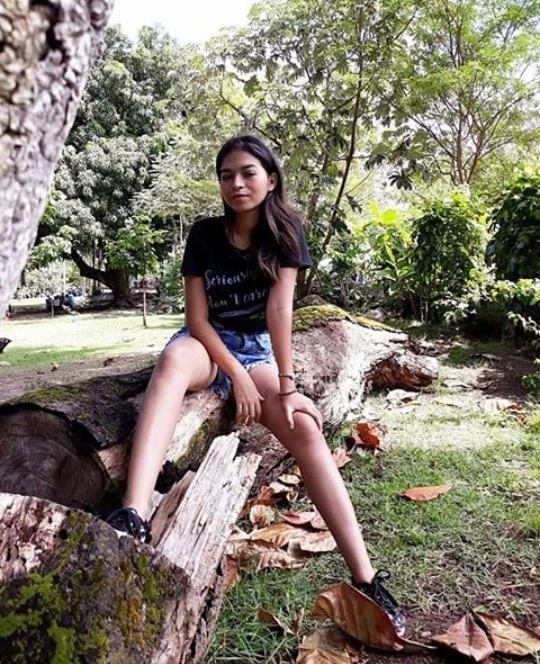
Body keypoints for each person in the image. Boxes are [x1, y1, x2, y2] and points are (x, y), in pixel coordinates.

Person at [105, 134, 405, 635]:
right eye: (227, 175)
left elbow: (279, 311)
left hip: (256, 349)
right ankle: (132, 515)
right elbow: (197, 321)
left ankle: (366, 578)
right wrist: (236, 376)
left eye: (248, 173)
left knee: (305, 429)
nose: (237, 184)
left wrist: (286, 387)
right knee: (174, 359)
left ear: (271, 179)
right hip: (206, 346)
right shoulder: (204, 235)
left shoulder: (285, 233)